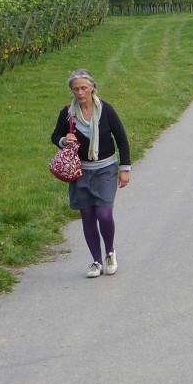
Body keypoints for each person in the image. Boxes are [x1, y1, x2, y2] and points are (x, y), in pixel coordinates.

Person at [51, 69, 132, 278]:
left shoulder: (106, 110)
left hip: (106, 168)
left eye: (84, 88)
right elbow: (55, 136)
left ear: (92, 87)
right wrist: (63, 140)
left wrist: (125, 169)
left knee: (104, 214)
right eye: (75, 89)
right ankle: (96, 261)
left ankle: (110, 253)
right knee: (87, 216)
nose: (80, 93)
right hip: (81, 171)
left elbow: (121, 139)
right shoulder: (68, 112)